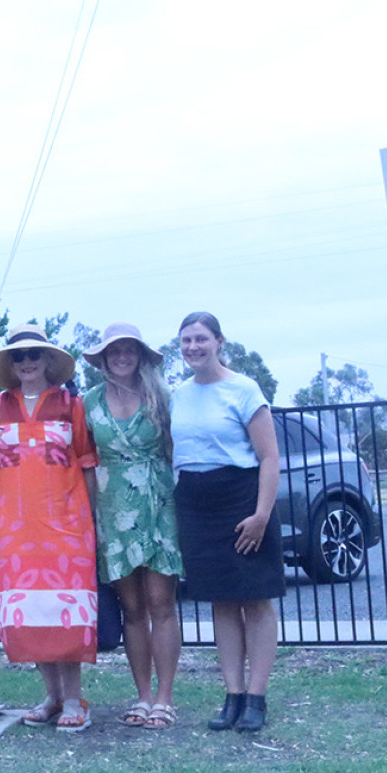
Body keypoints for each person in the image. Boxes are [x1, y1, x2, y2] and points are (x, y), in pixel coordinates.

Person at [0, 324, 100, 732]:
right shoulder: (0, 405)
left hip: (66, 525)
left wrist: (90, 522)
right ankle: (51, 696)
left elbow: (87, 463)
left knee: (65, 613)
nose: (26, 362)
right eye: (18, 356)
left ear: (48, 359)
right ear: (11, 364)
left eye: (34, 354)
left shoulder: (71, 404)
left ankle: (74, 698)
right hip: (16, 528)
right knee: (32, 614)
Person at [169, 311, 282, 733]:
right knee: (220, 602)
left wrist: (261, 515)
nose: (193, 347)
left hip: (242, 499)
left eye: (200, 339)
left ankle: (256, 697)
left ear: (219, 342)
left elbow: (269, 457)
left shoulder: (243, 389)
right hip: (196, 502)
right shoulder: (178, 394)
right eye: (185, 341)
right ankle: (232, 695)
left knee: (255, 600)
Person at [82, 322, 184, 730]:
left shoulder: (162, 397)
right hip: (112, 509)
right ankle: (142, 696)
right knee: (132, 608)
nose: (121, 356)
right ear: (104, 357)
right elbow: (85, 460)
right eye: (113, 350)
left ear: (140, 355)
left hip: (158, 505)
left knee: (161, 601)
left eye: (129, 349)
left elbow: (179, 449)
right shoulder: (88, 402)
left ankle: (165, 697)